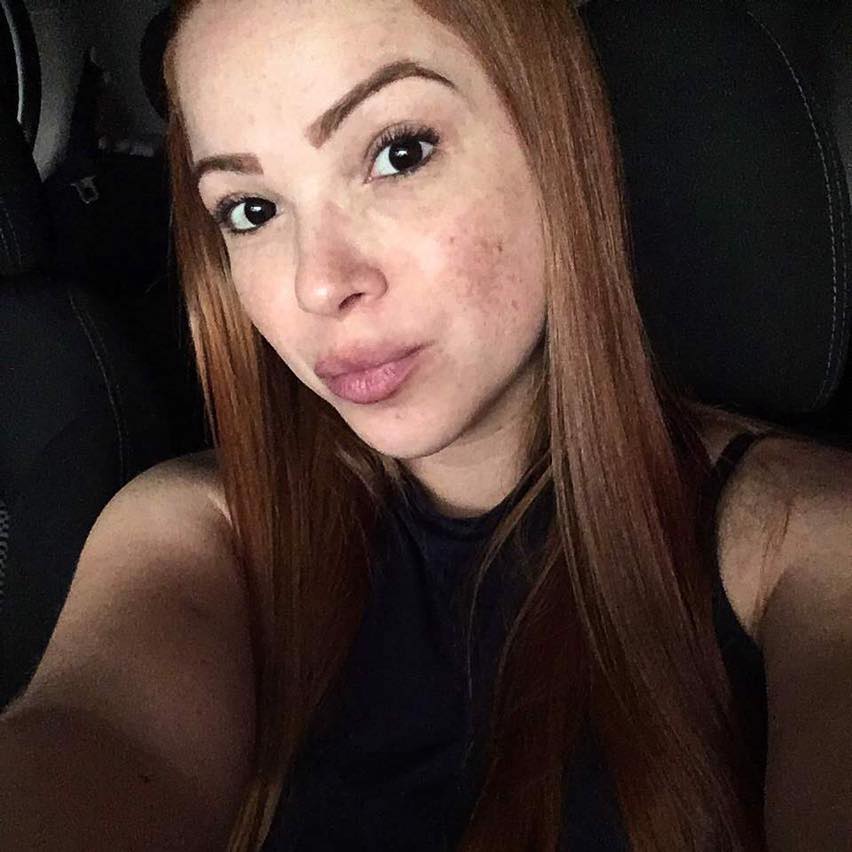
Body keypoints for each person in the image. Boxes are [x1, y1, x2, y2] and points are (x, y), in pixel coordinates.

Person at [2, 1, 851, 850]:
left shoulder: (801, 546)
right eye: (252, 210)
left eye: (398, 153)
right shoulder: (198, 533)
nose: (316, 285)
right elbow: (97, 738)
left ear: (562, 146)